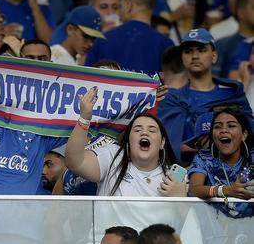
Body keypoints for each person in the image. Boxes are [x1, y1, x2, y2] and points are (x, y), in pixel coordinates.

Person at [65, 87, 186, 197]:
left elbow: (185, 220)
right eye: (137, 129)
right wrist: (84, 118)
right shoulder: (112, 156)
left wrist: (181, 199)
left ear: (162, 143)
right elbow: (75, 162)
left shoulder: (175, 178)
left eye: (152, 130)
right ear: (128, 140)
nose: (145, 133)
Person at [159, 28, 252, 160]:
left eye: (201, 50)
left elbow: (251, 134)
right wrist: (198, 148)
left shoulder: (232, 92)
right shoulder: (172, 99)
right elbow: (165, 145)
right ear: (182, 58)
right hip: (188, 171)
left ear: (214, 56)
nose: (195, 56)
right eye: (188, 51)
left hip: (234, 168)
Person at [85, 0, 174, 75]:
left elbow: (87, 79)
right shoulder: (166, 44)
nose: (120, 11)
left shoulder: (102, 40)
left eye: (120, 6)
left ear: (128, 6)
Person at [188, 107, 254, 217]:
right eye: (217, 127)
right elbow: (194, 190)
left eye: (231, 125)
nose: (223, 130)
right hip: (216, 227)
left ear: (244, 134)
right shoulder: (204, 157)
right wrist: (225, 190)